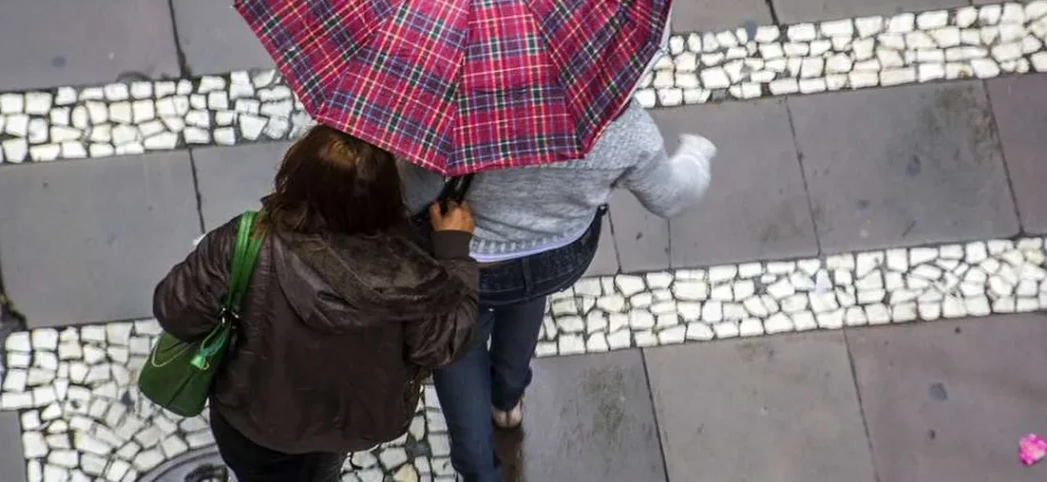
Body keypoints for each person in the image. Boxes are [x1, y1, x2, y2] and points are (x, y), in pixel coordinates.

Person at [401, 101, 717, 482]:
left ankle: (479, 470)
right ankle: (506, 400)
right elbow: (671, 197)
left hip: (468, 258)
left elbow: (410, 195)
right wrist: (697, 154)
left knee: (459, 344)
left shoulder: (454, 111)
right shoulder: (617, 123)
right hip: (556, 255)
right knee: (527, 301)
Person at [153, 125, 480, 482]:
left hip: (251, 419)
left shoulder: (245, 242)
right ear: (389, 194)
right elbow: (442, 345)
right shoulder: (412, 273)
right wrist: (453, 252)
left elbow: (176, 311)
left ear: (295, 177)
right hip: (343, 425)